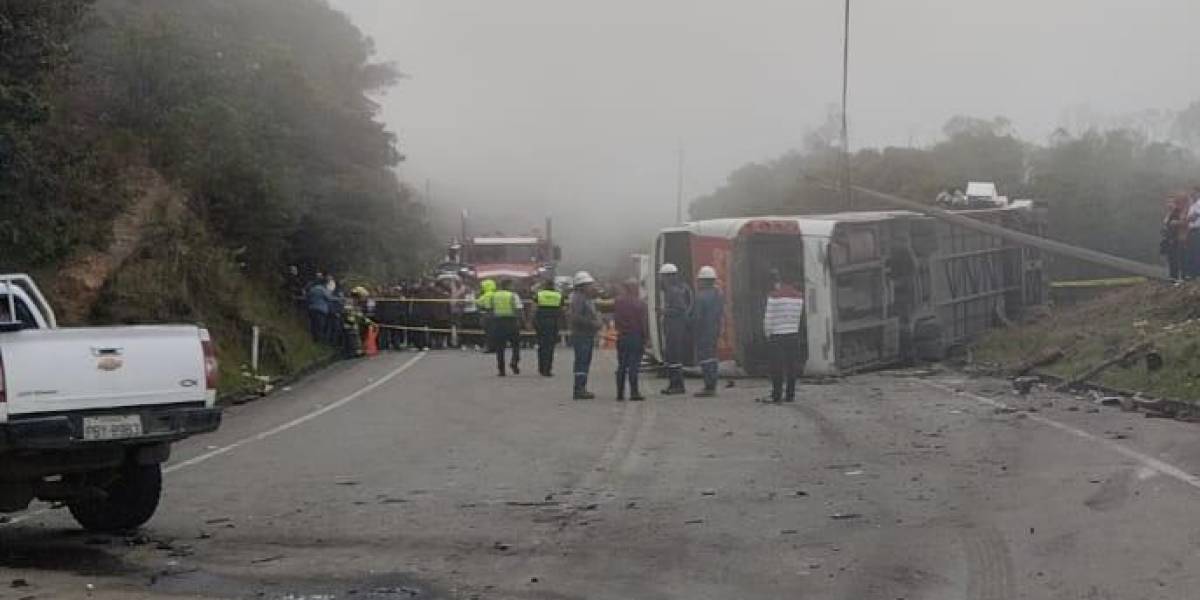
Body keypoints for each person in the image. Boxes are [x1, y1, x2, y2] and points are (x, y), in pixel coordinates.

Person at [761, 271, 805, 403]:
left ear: (780, 281)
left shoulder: (773, 296)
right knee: (792, 366)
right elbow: (798, 318)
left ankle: (777, 395)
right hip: (793, 334)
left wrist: (767, 333)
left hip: (777, 335)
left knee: (777, 366)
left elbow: (768, 318)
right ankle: (790, 395)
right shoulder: (799, 297)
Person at [658, 263, 692, 395]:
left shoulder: (673, 291)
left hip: (674, 327)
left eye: (662, 277)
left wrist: (664, 311)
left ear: (667, 277)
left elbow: (680, 309)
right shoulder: (682, 288)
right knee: (673, 357)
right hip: (677, 327)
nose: (661, 280)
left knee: (673, 357)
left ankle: (676, 385)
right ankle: (675, 384)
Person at [691, 266, 724, 397]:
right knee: (712, 357)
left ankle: (709, 386)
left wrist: (692, 328)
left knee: (705, 358)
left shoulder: (700, 297)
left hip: (704, 331)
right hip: (715, 330)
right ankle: (713, 384)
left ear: (703, 281)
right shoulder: (718, 294)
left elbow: (697, 317)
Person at [569, 271, 602, 399]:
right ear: (582, 286)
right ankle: (579, 389)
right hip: (581, 335)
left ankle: (582, 387)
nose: (592, 287)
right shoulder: (578, 299)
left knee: (584, 362)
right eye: (589, 285)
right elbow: (576, 317)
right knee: (582, 362)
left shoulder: (585, 298)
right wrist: (593, 324)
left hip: (586, 335)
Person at [613, 278, 648, 401]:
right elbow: (643, 323)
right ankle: (634, 392)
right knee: (633, 365)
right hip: (635, 336)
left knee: (621, 365)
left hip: (622, 336)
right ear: (634, 288)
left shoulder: (618, 302)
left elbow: (615, 318)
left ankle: (620, 393)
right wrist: (645, 338)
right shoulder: (640, 304)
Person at [490, 279, 523, 376]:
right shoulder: (513, 295)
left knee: (500, 347)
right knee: (516, 345)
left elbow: (491, 309)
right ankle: (514, 361)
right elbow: (518, 309)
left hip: (498, 322)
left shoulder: (494, 296)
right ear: (508, 285)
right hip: (511, 321)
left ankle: (501, 370)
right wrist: (520, 321)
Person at [534, 277, 564, 376]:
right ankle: (548, 369)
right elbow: (562, 309)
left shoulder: (539, 294)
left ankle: (541, 367)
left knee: (541, 345)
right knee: (550, 346)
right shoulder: (558, 295)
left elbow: (534, 308)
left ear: (545, 285)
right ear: (553, 286)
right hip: (553, 322)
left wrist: (531, 322)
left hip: (541, 322)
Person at [1162, 194, 1189, 281]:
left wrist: (1175, 223)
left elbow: (1184, 222)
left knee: (1177, 258)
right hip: (1168, 238)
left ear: (1175, 203)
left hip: (1177, 238)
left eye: (1171, 202)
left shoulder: (1178, 212)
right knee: (1170, 258)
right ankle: (1172, 276)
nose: (1169, 204)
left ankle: (1179, 277)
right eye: (1168, 202)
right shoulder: (1168, 213)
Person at [305, 276, 332, 343]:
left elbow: (308, 297)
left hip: (312, 309)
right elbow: (329, 298)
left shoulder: (312, 289)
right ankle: (319, 341)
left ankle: (313, 340)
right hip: (321, 310)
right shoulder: (323, 290)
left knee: (313, 325)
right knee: (320, 326)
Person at [476, 279, 497, 352]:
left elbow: (478, 304)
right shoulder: (496, 294)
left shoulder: (484, 296)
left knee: (488, 332)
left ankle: (489, 347)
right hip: (497, 314)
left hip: (487, 314)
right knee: (496, 332)